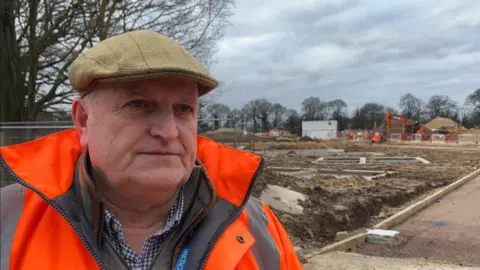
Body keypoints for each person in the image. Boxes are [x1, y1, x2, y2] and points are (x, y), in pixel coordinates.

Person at [0, 30, 302, 270]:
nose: (169, 132)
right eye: (139, 105)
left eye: (184, 108)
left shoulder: (257, 227)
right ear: (83, 121)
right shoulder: (8, 221)